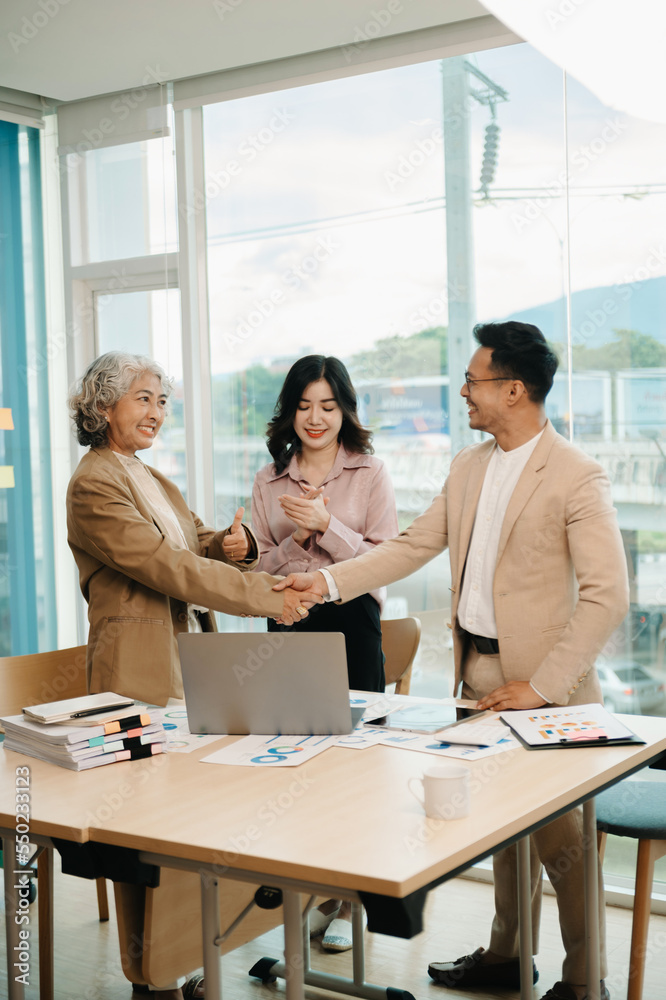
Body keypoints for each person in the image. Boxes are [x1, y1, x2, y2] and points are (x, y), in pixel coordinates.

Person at [273, 321, 629, 1000]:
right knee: (500, 834)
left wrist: (546, 686)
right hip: (478, 680)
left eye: (473, 381)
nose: (464, 392)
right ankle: (505, 957)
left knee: (564, 848)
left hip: (549, 690)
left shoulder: (577, 475)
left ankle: (586, 982)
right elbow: (410, 546)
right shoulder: (468, 466)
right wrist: (323, 583)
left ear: (514, 390)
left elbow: (608, 596)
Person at [67, 351, 321, 1000]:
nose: (158, 411)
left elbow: (190, 543)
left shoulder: (149, 476)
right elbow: (163, 567)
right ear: (102, 409)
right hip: (135, 678)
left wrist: (236, 548)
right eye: (144, 398)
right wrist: (265, 595)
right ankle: (150, 980)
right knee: (140, 838)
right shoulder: (94, 483)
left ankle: (183, 959)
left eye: (162, 400)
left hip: (186, 669)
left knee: (186, 823)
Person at [244, 354, 398, 949]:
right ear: (290, 412)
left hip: (350, 621)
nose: (316, 418)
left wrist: (327, 526)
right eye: (304, 406)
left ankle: (344, 900)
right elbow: (257, 567)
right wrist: (293, 536)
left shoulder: (370, 473)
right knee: (289, 759)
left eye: (328, 406)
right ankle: (305, 883)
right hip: (286, 619)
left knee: (352, 764)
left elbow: (384, 559)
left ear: (344, 411)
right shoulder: (269, 480)